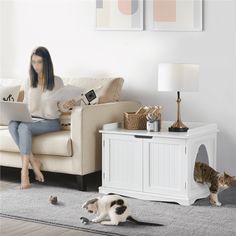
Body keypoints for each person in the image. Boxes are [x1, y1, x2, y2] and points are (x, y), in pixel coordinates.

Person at [8, 46, 75, 189]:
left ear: (46, 62)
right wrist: (18, 111)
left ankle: (24, 173)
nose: (36, 66)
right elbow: (25, 105)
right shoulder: (28, 81)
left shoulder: (57, 81)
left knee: (24, 127)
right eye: (33, 62)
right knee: (13, 123)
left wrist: (67, 105)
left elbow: (61, 106)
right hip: (32, 119)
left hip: (50, 122)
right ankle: (34, 162)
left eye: (39, 62)